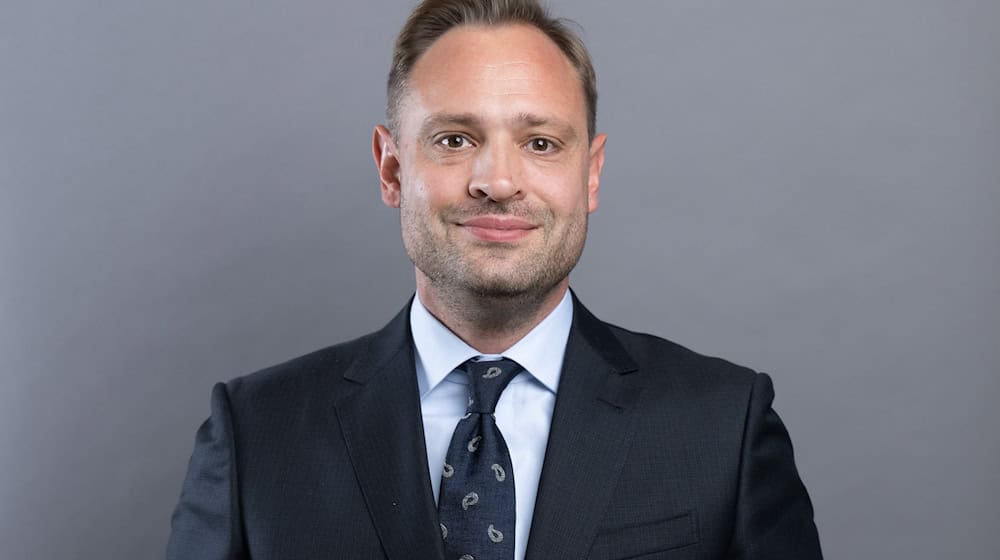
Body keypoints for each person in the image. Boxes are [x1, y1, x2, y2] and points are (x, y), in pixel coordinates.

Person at [166, 1, 823, 558]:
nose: (498, 181)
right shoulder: (258, 434)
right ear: (392, 169)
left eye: (541, 143)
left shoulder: (722, 428)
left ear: (590, 173)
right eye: (454, 139)